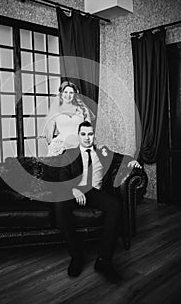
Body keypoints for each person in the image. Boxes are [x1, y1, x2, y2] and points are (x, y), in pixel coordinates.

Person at [55, 120, 141, 283]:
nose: (87, 138)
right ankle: (76, 257)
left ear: (94, 136)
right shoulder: (69, 153)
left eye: (90, 134)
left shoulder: (103, 152)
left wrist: (132, 161)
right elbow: (62, 178)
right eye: (83, 134)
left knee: (115, 206)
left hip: (93, 193)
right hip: (74, 191)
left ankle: (104, 261)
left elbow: (122, 157)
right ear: (79, 136)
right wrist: (73, 189)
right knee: (61, 202)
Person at [43, 81, 94, 156]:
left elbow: (89, 129)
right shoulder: (55, 111)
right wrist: (52, 145)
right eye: (65, 92)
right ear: (61, 94)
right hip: (61, 146)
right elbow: (50, 132)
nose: (68, 95)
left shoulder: (83, 109)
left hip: (80, 144)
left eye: (71, 93)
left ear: (75, 94)